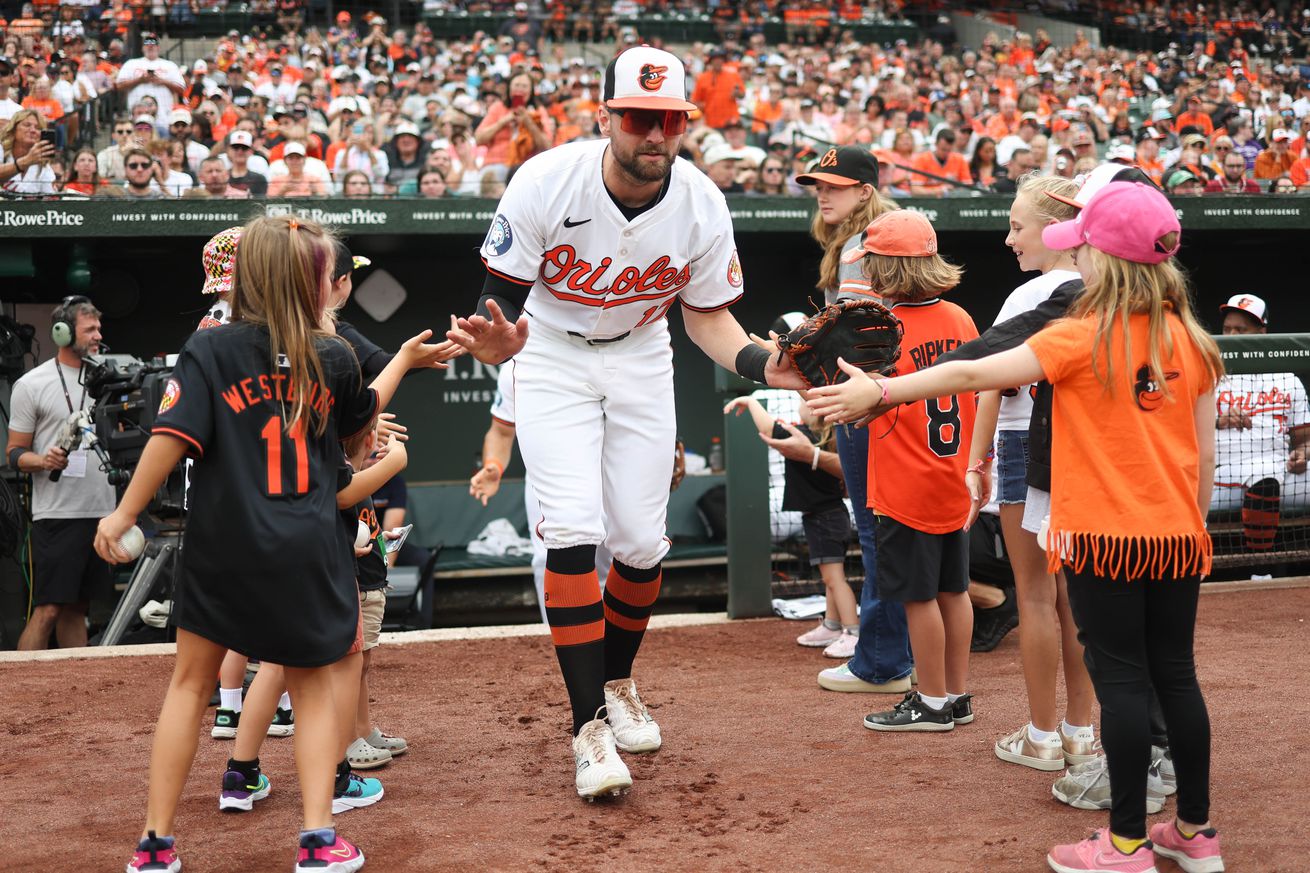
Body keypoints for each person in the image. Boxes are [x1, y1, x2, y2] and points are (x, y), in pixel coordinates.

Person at [809, 180, 1225, 873]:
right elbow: (1205, 456)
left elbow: (976, 372)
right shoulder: (1196, 337)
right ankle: (1195, 831)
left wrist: (880, 390)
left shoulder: (1078, 333)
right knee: (1175, 677)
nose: (1077, 262)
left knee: (1119, 682)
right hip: (1179, 535)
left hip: (1101, 537)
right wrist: (1192, 527)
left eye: (1084, 250)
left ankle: (1125, 844)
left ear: (1104, 259)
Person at [447, 45, 806, 800]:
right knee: (573, 529)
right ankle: (588, 730)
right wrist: (495, 343)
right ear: (607, 116)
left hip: (643, 349)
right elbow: (499, 306)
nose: (656, 134)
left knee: (643, 541)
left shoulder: (702, 201)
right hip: (550, 351)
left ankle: (618, 681)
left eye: (670, 119)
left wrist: (761, 363)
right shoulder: (546, 179)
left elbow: (709, 317)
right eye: (641, 118)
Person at [97, 215, 450, 873]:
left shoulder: (210, 347)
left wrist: (122, 514)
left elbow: (169, 439)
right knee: (314, 689)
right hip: (308, 544)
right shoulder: (336, 355)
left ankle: (155, 846)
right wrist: (384, 423)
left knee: (187, 686)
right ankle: (318, 839)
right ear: (310, 279)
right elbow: (350, 451)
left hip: (220, 543)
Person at [820, 210, 979, 733]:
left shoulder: (884, 327)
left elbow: (862, 405)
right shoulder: (960, 318)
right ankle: (956, 695)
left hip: (907, 482)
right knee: (954, 591)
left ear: (887, 269)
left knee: (917, 597)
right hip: (953, 476)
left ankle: (931, 702)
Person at [964, 173, 1097, 772]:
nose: (1009, 238)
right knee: (1079, 600)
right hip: (1085, 450)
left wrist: (976, 460)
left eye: (1018, 226)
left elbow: (987, 380)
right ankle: (1080, 733)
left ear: (1055, 228)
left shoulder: (1031, 297)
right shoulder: (1104, 286)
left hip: (1024, 444)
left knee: (1037, 596)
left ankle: (1043, 736)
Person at [784, 145, 912, 693]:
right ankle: (903, 657)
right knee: (892, 532)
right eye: (818, 185)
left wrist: (806, 352)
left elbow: (861, 341)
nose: (821, 193)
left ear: (864, 190)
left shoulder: (867, 243)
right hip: (897, 398)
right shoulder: (888, 233)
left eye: (833, 185)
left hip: (871, 403)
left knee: (878, 530)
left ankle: (881, 662)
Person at [6, 296, 115, 650]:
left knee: (78, 608)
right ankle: (15, 689)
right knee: (48, 609)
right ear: (63, 333)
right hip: (57, 515)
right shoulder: (32, 384)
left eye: (99, 327)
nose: (98, 334)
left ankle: (74, 692)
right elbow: (14, 454)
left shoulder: (107, 378)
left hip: (101, 513)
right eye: (90, 329)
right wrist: (44, 461)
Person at [471, 358, 612, 624]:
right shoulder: (517, 365)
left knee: (617, 555)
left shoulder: (609, 348)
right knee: (549, 557)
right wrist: (493, 465)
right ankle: (565, 643)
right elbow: (501, 432)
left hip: (611, 467)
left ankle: (611, 645)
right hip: (549, 473)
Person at [726, 393, 856, 657]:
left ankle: (853, 632)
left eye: (806, 403)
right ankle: (832, 626)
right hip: (830, 516)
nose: (801, 405)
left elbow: (767, 427)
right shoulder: (826, 438)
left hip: (825, 519)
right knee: (831, 578)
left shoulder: (805, 435)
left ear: (817, 413)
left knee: (835, 579)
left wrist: (751, 402)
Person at [1210, 293, 1310, 567]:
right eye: (1226, 329)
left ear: (1261, 333)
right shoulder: (1207, 375)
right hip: (1219, 476)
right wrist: (1217, 420)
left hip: (1282, 471)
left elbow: (1304, 440)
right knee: (1263, 474)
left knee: (1268, 475)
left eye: (1240, 330)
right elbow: (1176, 427)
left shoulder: (1286, 378)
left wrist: (1302, 454)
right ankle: (1262, 570)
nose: (1230, 336)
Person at [115, 33, 185, 126]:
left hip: (164, 118)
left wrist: (163, 81)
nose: (150, 46)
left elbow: (181, 88)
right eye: (147, 43)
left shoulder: (170, 65)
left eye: (153, 44)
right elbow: (119, 86)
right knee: (139, 139)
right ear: (142, 48)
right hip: (137, 116)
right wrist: (140, 80)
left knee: (161, 139)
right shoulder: (131, 63)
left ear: (158, 48)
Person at [0, 109, 58, 195]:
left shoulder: (43, 167)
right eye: (27, 125)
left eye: (38, 128)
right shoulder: (1, 149)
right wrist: (26, 161)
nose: (33, 130)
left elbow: (51, 200)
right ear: (13, 129)